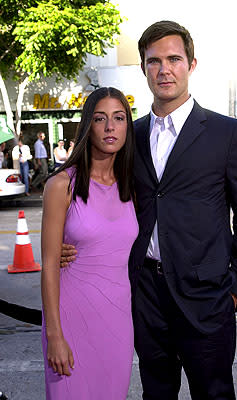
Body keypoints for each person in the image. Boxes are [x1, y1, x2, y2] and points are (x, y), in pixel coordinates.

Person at [61, 21, 237, 400]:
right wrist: (65, 243)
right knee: (156, 394)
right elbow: (92, 192)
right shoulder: (129, 135)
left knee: (214, 394)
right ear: (143, 69)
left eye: (174, 59)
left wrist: (236, 290)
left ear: (191, 64)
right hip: (144, 295)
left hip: (207, 297)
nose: (164, 69)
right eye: (154, 61)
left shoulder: (227, 134)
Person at [41, 87, 138, 399]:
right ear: (87, 126)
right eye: (100, 118)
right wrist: (54, 334)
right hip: (69, 320)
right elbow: (48, 267)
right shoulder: (60, 185)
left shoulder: (132, 186)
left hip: (118, 323)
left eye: (119, 118)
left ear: (127, 127)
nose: (110, 127)